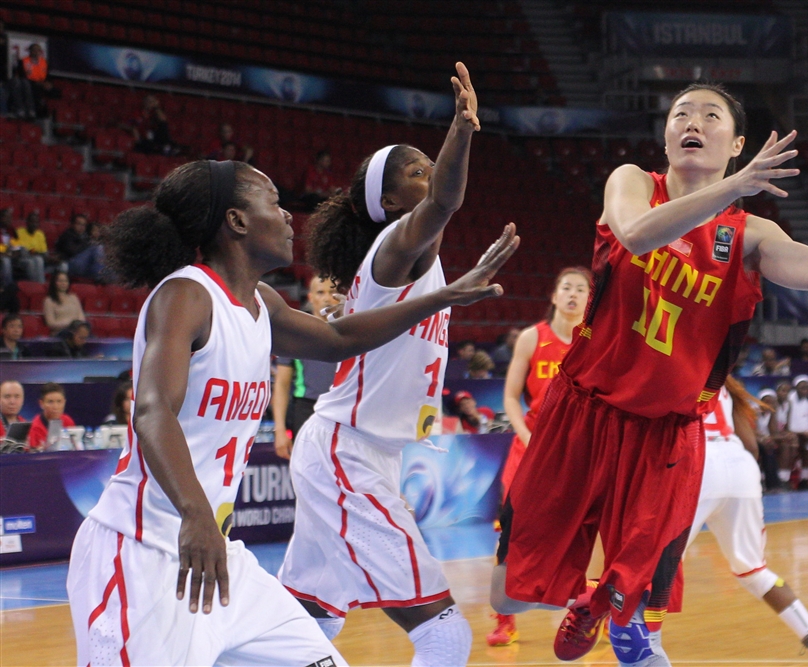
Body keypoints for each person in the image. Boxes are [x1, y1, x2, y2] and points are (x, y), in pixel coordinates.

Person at [491, 81, 808, 667]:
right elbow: (637, 235)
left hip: (665, 435)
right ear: (666, 136)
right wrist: (737, 184)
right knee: (507, 596)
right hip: (582, 411)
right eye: (681, 113)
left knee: (636, 607)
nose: (692, 122)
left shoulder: (751, 235)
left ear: (738, 143)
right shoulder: (631, 182)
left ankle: (605, 601)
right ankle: (592, 597)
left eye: (709, 114)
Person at [66, 155, 514, 666]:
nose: (286, 216)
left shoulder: (261, 303)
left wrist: (443, 297)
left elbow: (339, 338)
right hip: (141, 550)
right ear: (236, 221)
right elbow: (152, 411)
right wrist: (196, 514)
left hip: (220, 559)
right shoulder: (186, 294)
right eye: (274, 202)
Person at [277, 62, 485, 665]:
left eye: (430, 164)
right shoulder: (394, 251)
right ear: (390, 202)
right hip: (345, 452)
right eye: (417, 171)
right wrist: (461, 130)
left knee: (308, 623)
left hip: (364, 453)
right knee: (445, 632)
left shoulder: (418, 263)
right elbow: (445, 201)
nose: (431, 173)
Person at [678, 376, 808, 665]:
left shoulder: (674, 372)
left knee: (652, 569)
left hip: (698, 461)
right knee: (754, 572)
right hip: (740, 464)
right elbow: (752, 447)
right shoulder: (724, 383)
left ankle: (635, 651)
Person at [488, 266, 591, 646]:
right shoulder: (533, 337)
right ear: (554, 295)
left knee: (575, 535)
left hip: (575, 454)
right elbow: (510, 397)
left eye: (581, 289)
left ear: (590, 300)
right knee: (511, 533)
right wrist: (525, 435)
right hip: (530, 448)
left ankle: (585, 609)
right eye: (566, 287)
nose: (573, 294)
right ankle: (505, 619)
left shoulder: (594, 341)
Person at [271, 276, 343, 459]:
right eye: (321, 292)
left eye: (332, 292)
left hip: (344, 409)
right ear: (311, 297)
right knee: (309, 468)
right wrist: (279, 430)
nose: (327, 298)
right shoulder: (297, 332)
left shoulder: (352, 330)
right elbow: (282, 384)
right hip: (307, 410)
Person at [27, 382, 76, 450]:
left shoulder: (67, 421)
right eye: (50, 402)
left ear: (64, 402)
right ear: (41, 404)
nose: (55, 407)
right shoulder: (35, 428)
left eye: (59, 401)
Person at [56, 214, 105, 280]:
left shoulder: (86, 237)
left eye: (84, 225)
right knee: (98, 247)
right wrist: (88, 245)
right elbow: (73, 251)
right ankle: (99, 277)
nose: (81, 227)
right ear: (72, 224)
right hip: (70, 264)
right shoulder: (67, 235)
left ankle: (104, 278)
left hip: (84, 265)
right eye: (79, 224)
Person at [42, 270, 86, 335]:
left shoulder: (74, 298)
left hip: (76, 331)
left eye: (66, 281)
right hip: (60, 332)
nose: (63, 283)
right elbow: (50, 323)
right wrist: (70, 324)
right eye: (60, 281)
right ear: (54, 282)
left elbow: (81, 318)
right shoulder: (49, 301)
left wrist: (77, 325)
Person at [11, 211, 47, 283]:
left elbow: (44, 253)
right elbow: (15, 250)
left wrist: (33, 252)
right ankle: (37, 285)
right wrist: (29, 252)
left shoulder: (40, 234)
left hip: (36, 259)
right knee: (32, 262)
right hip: (21, 260)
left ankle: (40, 285)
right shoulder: (18, 232)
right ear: (27, 222)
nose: (34, 224)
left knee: (38, 259)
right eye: (32, 222)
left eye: (36, 222)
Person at [20, 43, 54, 119]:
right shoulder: (24, 61)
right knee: (33, 89)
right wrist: (38, 83)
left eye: (38, 50)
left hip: (42, 83)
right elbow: (22, 76)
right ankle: (33, 112)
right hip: (30, 83)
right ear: (30, 51)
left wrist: (48, 83)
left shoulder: (44, 62)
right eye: (34, 50)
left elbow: (48, 75)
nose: (36, 52)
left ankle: (50, 115)